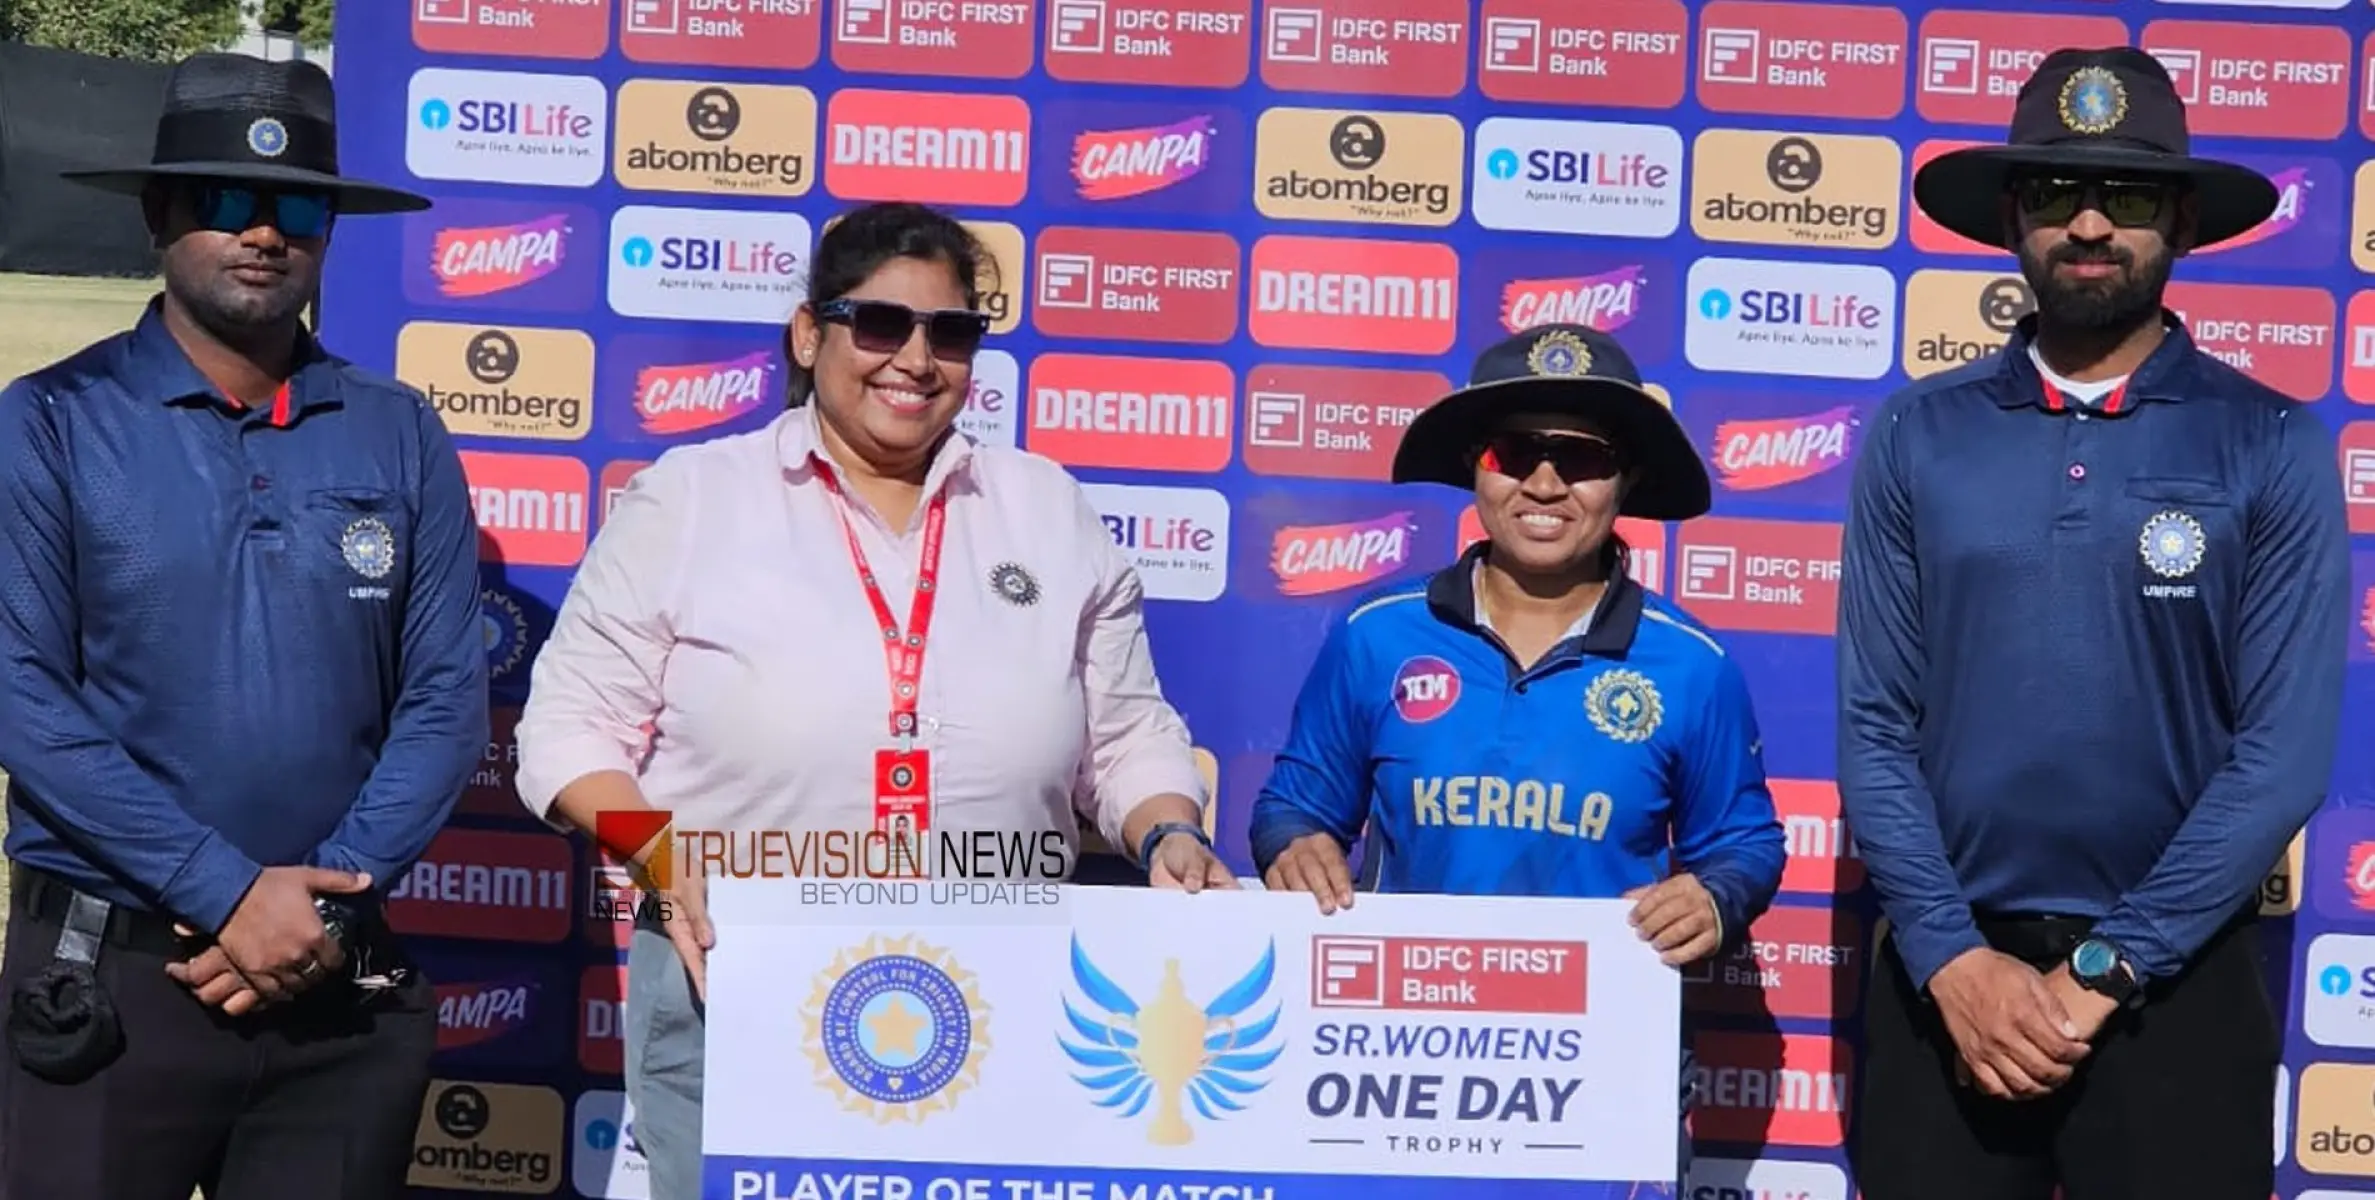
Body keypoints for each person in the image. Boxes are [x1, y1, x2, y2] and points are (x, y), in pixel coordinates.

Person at [514, 200, 1233, 1200]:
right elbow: (563, 733)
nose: (916, 358)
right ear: (810, 335)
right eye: (881, 324)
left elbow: (1124, 736)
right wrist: (666, 858)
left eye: (952, 332)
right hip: (739, 977)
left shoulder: (1044, 506)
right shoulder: (693, 499)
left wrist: (1165, 833)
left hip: (1000, 986)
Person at [1839, 47, 2349, 1200]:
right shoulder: (1919, 434)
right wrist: (1950, 958)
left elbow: (2278, 759)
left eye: (2122, 197)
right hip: (1945, 988)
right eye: (2055, 194)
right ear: (2010, 216)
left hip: (2171, 988)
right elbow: (1873, 727)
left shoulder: (2267, 440)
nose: (2085, 225)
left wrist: (2102, 969)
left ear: (2176, 219)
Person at [0, 53, 485, 1200]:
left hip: (337, 980)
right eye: (225, 201)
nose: (263, 234)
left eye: (297, 207)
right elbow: (19, 690)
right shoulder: (54, 420)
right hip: (113, 977)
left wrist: (321, 901)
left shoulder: (397, 430)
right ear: (161, 216)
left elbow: (445, 696)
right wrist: (221, 888)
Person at [1248, 324, 1786, 1173]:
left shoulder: (1692, 665)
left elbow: (1743, 843)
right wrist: (1294, 845)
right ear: (1475, 465)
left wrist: (1715, 897)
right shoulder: (1376, 635)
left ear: (1627, 479)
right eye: (1516, 451)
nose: (1544, 482)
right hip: (1396, 1069)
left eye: (1580, 458)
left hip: (1600, 1068)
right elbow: (1293, 806)